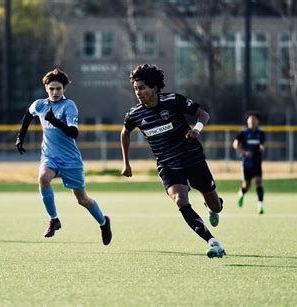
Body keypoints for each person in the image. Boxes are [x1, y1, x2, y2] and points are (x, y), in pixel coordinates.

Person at [120, 64, 225, 258]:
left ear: (154, 87)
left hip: (192, 159)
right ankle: (213, 242)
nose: (139, 92)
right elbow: (125, 133)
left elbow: (203, 114)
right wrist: (126, 162)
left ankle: (213, 207)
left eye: (142, 88)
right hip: (167, 165)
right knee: (180, 200)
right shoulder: (134, 114)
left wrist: (197, 129)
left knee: (215, 205)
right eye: (136, 88)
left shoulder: (173, 100)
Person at [15, 68, 112, 245]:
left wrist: (55, 121)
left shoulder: (69, 106)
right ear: (46, 88)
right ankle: (54, 219)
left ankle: (104, 222)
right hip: (49, 157)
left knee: (82, 199)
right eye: (51, 89)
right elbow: (28, 115)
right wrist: (21, 137)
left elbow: (73, 133)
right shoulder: (40, 104)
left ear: (64, 88)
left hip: (70, 160)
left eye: (58, 88)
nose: (55, 92)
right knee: (43, 179)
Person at [232, 111, 266, 214]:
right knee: (246, 185)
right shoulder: (243, 133)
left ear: (257, 121)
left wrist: (262, 147)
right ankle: (241, 194)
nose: (252, 121)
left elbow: (262, 144)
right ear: (247, 121)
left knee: (258, 182)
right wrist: (245, 152)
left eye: (254, 119)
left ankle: (260, 205)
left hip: (257, 162)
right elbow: (235, 144)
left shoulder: (261, 133)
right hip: (246, 163)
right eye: (250, 119)